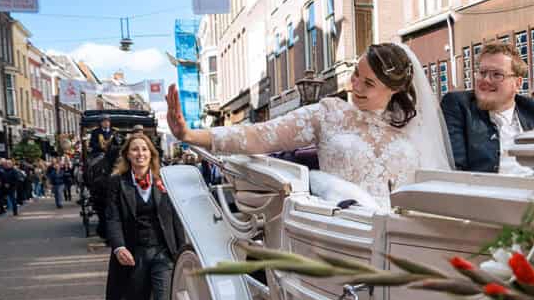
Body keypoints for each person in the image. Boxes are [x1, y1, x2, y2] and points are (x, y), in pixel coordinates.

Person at [166, 43, 452, 210]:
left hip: (400, 238)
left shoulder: (415, 124)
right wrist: (190, 134)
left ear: (394, 89)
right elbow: (260, 135)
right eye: (355, 75)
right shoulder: (329, 114)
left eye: (368, 83)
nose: (355, 85)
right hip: (341, 231)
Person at [104, 133, 185, 300]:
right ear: (128, 155)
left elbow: (175, 217)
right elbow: (113, 217)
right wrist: (118, 247)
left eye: (145, 150)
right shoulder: (118, 183)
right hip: (134, 253)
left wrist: (182, 251)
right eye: (135, 150)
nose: (140, 154)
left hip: (162, 253)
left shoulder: (163, 181)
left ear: (152, 154)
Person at [441, 41, 534, 174]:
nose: (486, 80)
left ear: (517, 84)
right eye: (482, 73)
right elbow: (456, 169)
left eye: (497, 74)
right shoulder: (459, 106)